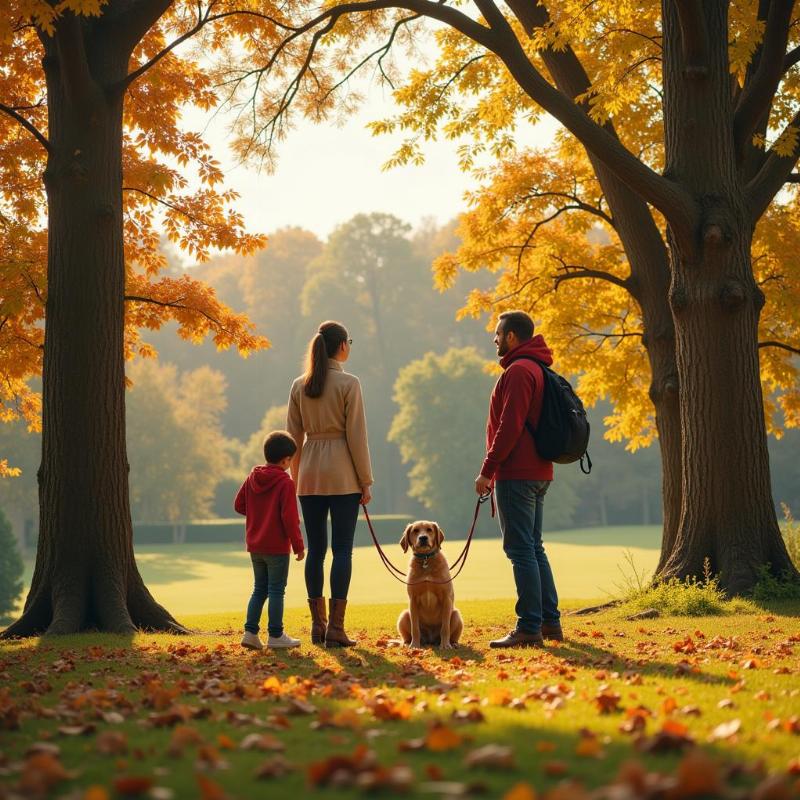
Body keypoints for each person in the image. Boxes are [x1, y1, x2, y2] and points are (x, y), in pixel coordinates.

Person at [474, 310, 562, 648]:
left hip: (518, 473)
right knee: (533, 548)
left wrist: (488, 469)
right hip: (539, 471)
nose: (494, 339)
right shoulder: (538, 368)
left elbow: (509, 426)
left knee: (520, 550)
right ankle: (549, 623)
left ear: (511, 336)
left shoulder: (518, 371)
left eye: (498, 333)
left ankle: (528, 627)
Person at [287, 321, 374, 648]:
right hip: (342, 474)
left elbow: (292, 436)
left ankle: (317, 625)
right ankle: (336, 628)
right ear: (341, 347)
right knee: (342, 550)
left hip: (309, 472)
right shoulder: (349, 383)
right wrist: (365, 480)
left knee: (316, 551)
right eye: (349, 341)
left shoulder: (300, 385)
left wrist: (295, 478)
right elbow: (357, 437)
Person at [235, 430, 306, 650]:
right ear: (286, 460)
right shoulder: (285, 483)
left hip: (255, 546)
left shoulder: (252, 477)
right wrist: (299, 546)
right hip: (276, 547)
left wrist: (259, 514)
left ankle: (250, 632)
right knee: (276, 590)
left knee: (259, 589)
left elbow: (239, 505)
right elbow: (289, 518)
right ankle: (276, 635)